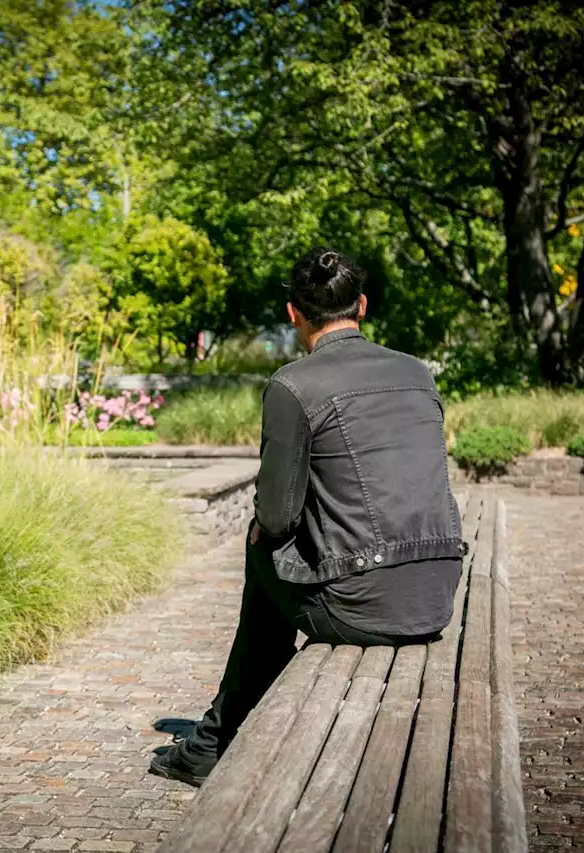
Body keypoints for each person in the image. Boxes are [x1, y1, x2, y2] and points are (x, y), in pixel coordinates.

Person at [149, 246, 465, 787]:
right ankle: (211, 741)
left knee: (261, 550)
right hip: (436, 592)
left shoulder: (293, 385)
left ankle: (211, 744)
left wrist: (272, 534)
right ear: (361, 306)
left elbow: (275, 517)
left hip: (364, 608)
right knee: (271, 559)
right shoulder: (417, 373)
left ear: (293, 313)